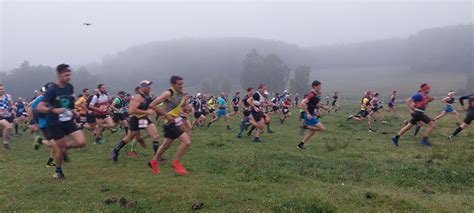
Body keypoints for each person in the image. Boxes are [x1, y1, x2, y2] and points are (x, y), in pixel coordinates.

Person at [36, 64, 86, 179]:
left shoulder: (70, 87)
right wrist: (53, 110)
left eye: (69, 75)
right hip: (54, 123)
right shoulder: (52, 90)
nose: (68, 77)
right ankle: (58, 170)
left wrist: (74, 111)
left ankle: (63, 148)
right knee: (62, 148)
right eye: (66, 75)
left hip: (68, 120)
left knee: (81, 142)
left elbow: (70, 103)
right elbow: (40, 107)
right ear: (59, 75)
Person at [148, 76, 191, 175]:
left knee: (166, 145)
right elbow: (152, 105)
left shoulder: (181, 94)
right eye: (179, 84)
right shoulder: (168, 93)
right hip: (169, 123)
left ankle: (153, 162)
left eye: (182, 83)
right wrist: (167, 116)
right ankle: (176, 163)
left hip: (174, 121)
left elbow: (179, 106)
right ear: (173, 84)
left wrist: (185, 103)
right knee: (186, 142)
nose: (181, 86)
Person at [111, 80, 161, 162]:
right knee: (129, 138)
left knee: (155, 136)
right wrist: (147, 112)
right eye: (147, 86)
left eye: (150, 86)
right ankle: (115, 150)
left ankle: (157, 157)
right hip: (135, 120)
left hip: (144, 119)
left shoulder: (147, 96)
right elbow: (131, 110)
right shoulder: (138, 97)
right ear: (142, 87)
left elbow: (151, 104)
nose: (149, 88)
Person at [29, 82, 58, 167]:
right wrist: (33, 122)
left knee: (55, 143)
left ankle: (50, 161)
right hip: (44, 124)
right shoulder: (40, 98)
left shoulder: (55, 98)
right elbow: (30, 108)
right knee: (54, 144)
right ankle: (58, 165)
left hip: (54, 123)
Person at [297, 80, 327, 149]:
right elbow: (303, 103)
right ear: (314, 86)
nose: (320, 87)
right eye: (319, 86)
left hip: (311, 114)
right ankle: (305, 126)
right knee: (323, 129)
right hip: (308, 115)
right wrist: (308, 114)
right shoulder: (311, 94)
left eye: (320, 86)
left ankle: (300, 145)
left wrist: (323, 107)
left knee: (312, 132)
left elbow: (315, 104)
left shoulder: (314, 94)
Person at [0, 84, 14, 149]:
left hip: (8, 115)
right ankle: (5, 142)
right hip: (0, 116)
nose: (2, 90)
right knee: (8, 127)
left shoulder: (8, 96)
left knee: (9, 128)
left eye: (3, 89)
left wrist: (14, 107)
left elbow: (11, 105)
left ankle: (3, 134)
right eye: (0, 89)